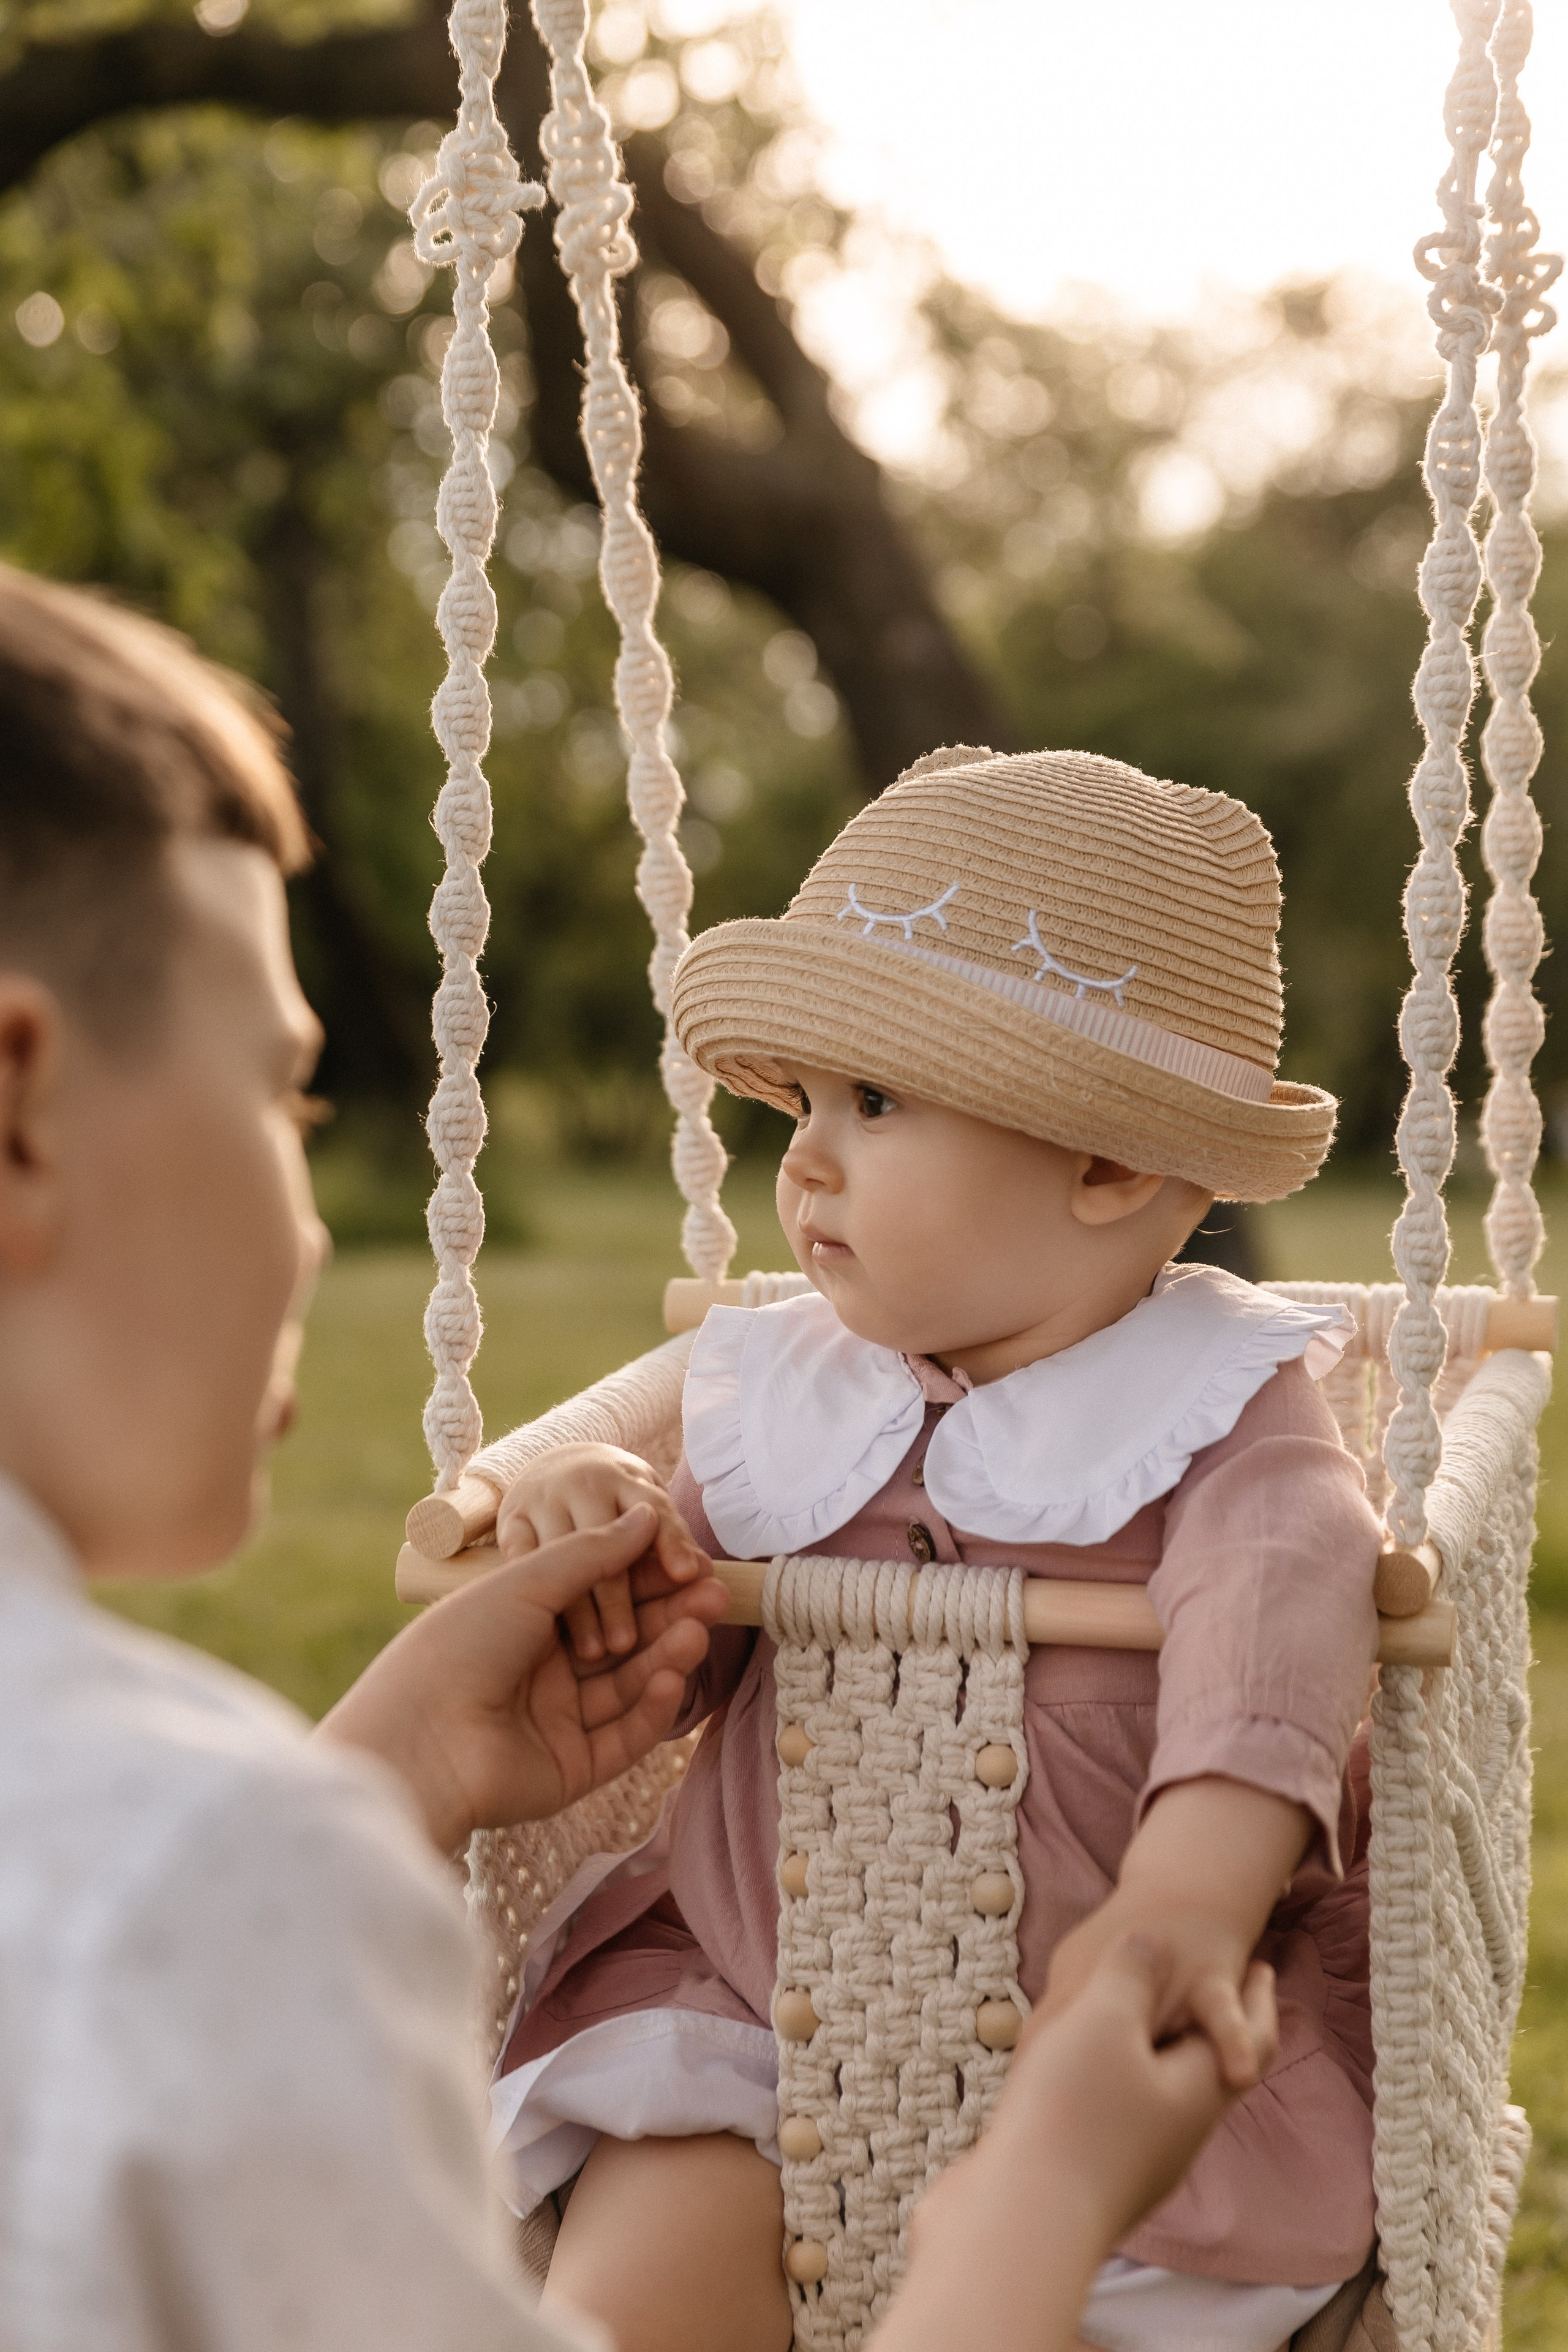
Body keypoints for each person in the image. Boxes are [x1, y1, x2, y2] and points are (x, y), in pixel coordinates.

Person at [0, 573, 1274, 2352]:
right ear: (17, 1107)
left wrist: (381, 1767)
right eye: (286, 1098)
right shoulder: (203, 1876)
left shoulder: (1235, 1415)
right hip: (770, 2014)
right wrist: (1039, 2205)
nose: (307, 1214)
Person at [488, 748, 1385, 2352]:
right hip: (766, 2006)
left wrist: (1189, 1898)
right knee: (642, 2269)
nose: (808, 1160)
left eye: (879, 1104)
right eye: (810, 1103)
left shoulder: (1222, 1411)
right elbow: (681, 1639)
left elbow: (1283, 1629)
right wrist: (611, 1533)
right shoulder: (790, 1387)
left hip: (1111, 2059)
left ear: (1109, 1164)